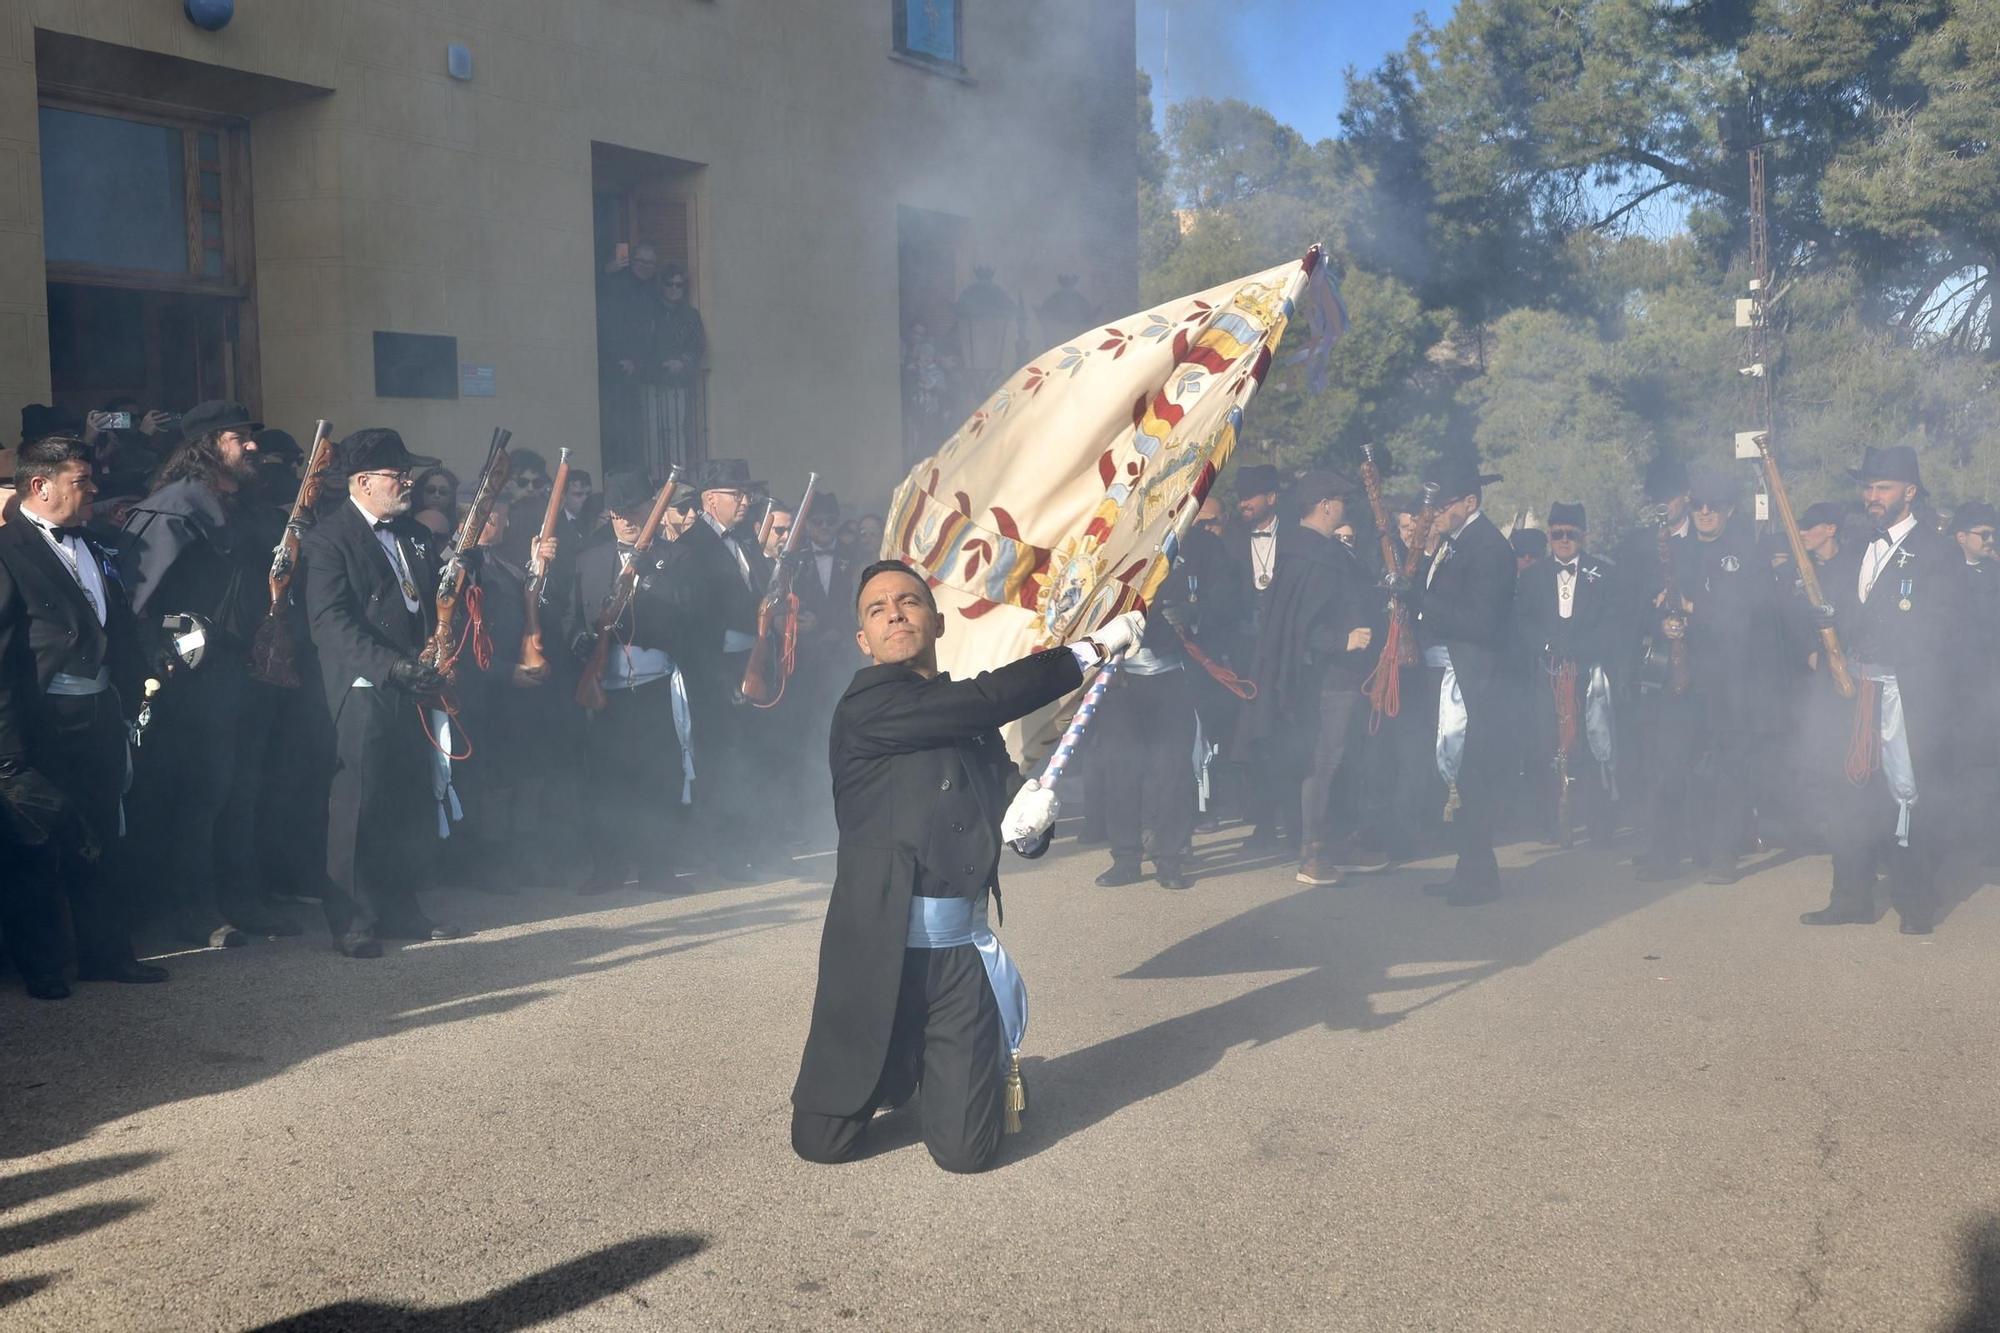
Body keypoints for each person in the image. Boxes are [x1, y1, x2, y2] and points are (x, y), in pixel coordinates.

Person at [790, 558, 1143, 1172]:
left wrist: (1035, 821)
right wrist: (1086, 652)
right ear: (862, 640)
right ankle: (910, 1061)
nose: (894, 613)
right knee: (819, 1146)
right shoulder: (866, 708)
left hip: (957, 956)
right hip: (874, 953)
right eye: (877, 609)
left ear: (938, 620)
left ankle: (958, 1062)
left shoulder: (972, 726)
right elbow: (983, 699)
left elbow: (1010, 810)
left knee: (965, 1155)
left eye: (909, 601)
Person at [118, 399, 300, 946]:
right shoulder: (174, 507)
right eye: (236, 437)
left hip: (252, 667)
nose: (250, 446)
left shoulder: (248, 504)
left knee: (245, 789)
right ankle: (195, 907)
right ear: (205, 445)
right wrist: (163, 661)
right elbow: (137, 600)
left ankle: (244, 899)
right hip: (199, 673)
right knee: (204, 793)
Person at [0, 436, 167, 998]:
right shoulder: (6, 550)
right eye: (81, 481)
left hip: (98, 709)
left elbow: (114, 622)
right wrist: (9, 749)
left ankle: (106, 954)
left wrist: (142, 676)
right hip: (40, 720)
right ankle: (42, 965)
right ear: (39, 486)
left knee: (100, 836)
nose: (93, 489)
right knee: (36, 843)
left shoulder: (96, 544)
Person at [300, 428, 466, 957]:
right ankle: (351, 920)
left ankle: (401, 908)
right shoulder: (329, 538)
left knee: (406, 802)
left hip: (411, 684)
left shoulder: (414, 534)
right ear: (364, 481)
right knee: (358, 807)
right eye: (398, 475)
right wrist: (391, 666)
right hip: (365, 685)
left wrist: (466, 565)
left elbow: (432, 598)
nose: (408, 483)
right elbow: (330, 623)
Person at [1801, 446, 1964, 933]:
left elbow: (1942, 625)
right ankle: (1849, 897)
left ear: (1909, 492)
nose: (1873, 496)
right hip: (1853, 689)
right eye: (1869, 487)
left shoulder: (1937, 551)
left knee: (1907, 796)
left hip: (1905, 691)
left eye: (1884, 487)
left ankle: (1915, 902)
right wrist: (1830, 633)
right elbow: (1843, 613)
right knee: (1848, 792)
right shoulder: (1856, 548)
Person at [1636, 466, 1782, 884]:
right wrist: (1664, 624)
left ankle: (1723, 855)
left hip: (1729, 675)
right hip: (1682, 673)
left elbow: (1750, 618)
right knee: (1669, 764)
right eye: (1698, 506)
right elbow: (1656, 607)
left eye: (1713, 507)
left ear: (1729, 510)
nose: (1704, 514)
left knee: (1729, 768)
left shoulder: (1747, 555)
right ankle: (1663, 852)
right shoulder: (1676, 552)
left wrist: (1694, 610)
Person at [1233, 471, 1378, 886]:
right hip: (1325, 679)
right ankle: (1313, 850)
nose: (1345, 509)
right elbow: (1296, 628)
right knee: (1324, 761)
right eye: (1341, 502)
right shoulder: (1308, 556)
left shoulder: (1318, 551)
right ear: (1326, 504)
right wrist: (1342, 640)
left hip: (1345, 677)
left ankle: (1339, 841)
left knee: (1344, 758)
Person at [570, 473, 698, 892]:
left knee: (657, 779)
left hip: (655, 685)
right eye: (618, 514)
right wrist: (579, 641)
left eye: (634, 512)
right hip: (606, 688)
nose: (626, 521)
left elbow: (688, 614)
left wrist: (652, 576)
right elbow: (572, 618)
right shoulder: (590, 559)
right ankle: (607, 867)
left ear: (650, 512)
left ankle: (657, 869)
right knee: (607, 782)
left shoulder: (675, 559)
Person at [1404, 455, 1516, 905]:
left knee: (1472, 777)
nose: (1437, 513)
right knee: (1463, 777)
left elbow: (1482, 621)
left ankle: (1479, 874)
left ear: (1470, 502)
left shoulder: (1488, 547)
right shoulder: (1458, 542)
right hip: (1453, 671)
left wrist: (1422, 601)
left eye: (1446, 503)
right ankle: (1470, 869)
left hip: (1474, 677)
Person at [1515, 502, 1620, 845]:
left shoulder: (1604, 575)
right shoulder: (1531, 577)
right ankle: (1553, 822)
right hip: (1547, 674)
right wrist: (1545, 646)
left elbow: (1611, 623)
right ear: (1549, 535)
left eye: (1571, 535)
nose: (1563, 541)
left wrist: (1580, 649)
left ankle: (1599, 823)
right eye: (1557, 534)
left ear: (1583, 536)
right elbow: (1522, 621)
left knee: (1593, 744)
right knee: (1548, 744)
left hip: (1588, 675)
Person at [646, 264, 707, 477]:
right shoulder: (650, 311)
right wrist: (656, 364)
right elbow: (642, 344)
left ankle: (677, 479)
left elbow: (697, 345)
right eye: (669, 284)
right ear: (662, 286)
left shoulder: (690, 315)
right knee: (652, 433)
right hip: (651, 380)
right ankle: (655, 478)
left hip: (677, 383)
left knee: (675, 432)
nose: (674, 289)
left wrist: (682, 362)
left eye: (678, 285)